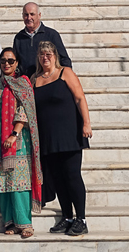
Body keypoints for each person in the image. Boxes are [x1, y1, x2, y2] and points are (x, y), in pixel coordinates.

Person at [33, 41, 92, 237]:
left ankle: (81, 219)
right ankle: (67, 216)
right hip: (48, 137)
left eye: (49, 54)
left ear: (55, 56)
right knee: (57, 179)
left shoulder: (65, 73)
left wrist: (86, 123)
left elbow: (79, 97)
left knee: (72, 176)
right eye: (42, 54)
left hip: (69, 134)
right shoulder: (35, 79)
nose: (45, 57)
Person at [0, 47, 43, 239]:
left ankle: (25, 223)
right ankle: (10, 221)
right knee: (4, 183)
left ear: (17, 63)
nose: (7, 64)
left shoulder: (23, 83)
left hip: (18, 140)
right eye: (3, 61)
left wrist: (14, 133)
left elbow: (25, 110)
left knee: (20, 183)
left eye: (11, 61)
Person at [13, 2, 71, 78]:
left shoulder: (52, 35)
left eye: (32, 14)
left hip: (47, 82)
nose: (29, 18)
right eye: (26, 14)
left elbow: (64, 60)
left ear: (39, 15)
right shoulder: (19, 37)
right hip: (26, 84)